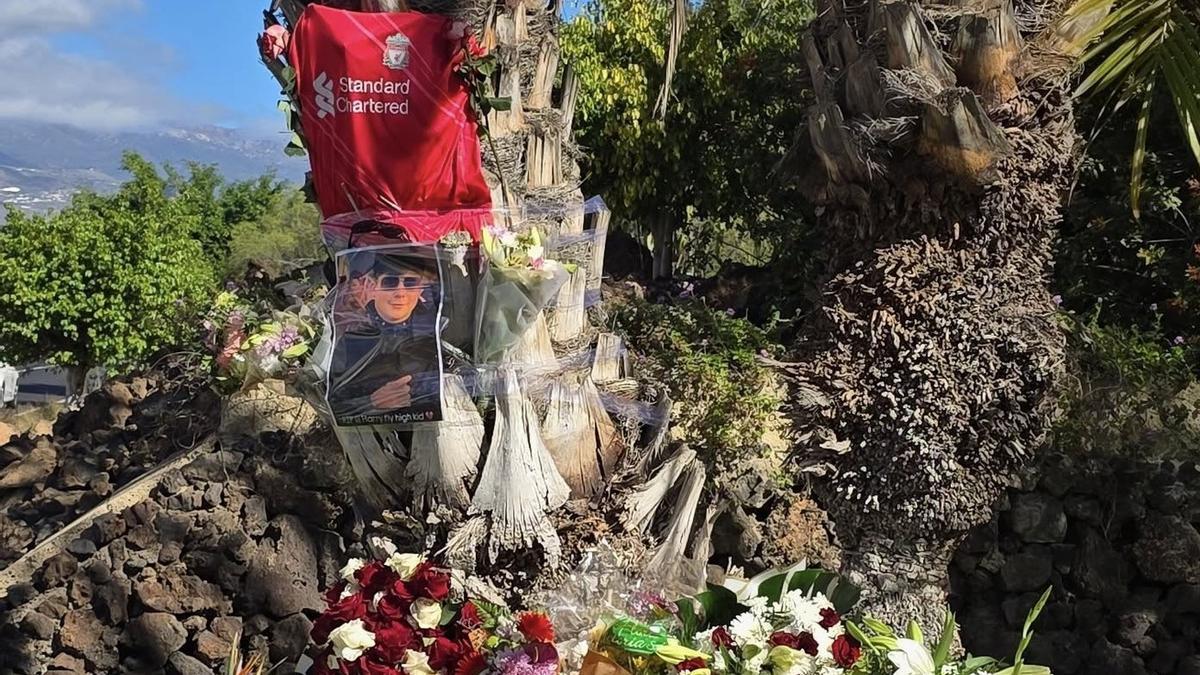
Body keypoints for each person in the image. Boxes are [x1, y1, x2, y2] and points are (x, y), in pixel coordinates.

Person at [327, 250, 443, 424]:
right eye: (390, 282)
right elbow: (333, 405)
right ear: (374, 286)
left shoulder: (438, 330)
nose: (400, 292)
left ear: (420, 289)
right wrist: (371, 403)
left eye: (410, 283)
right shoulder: (353, 339)